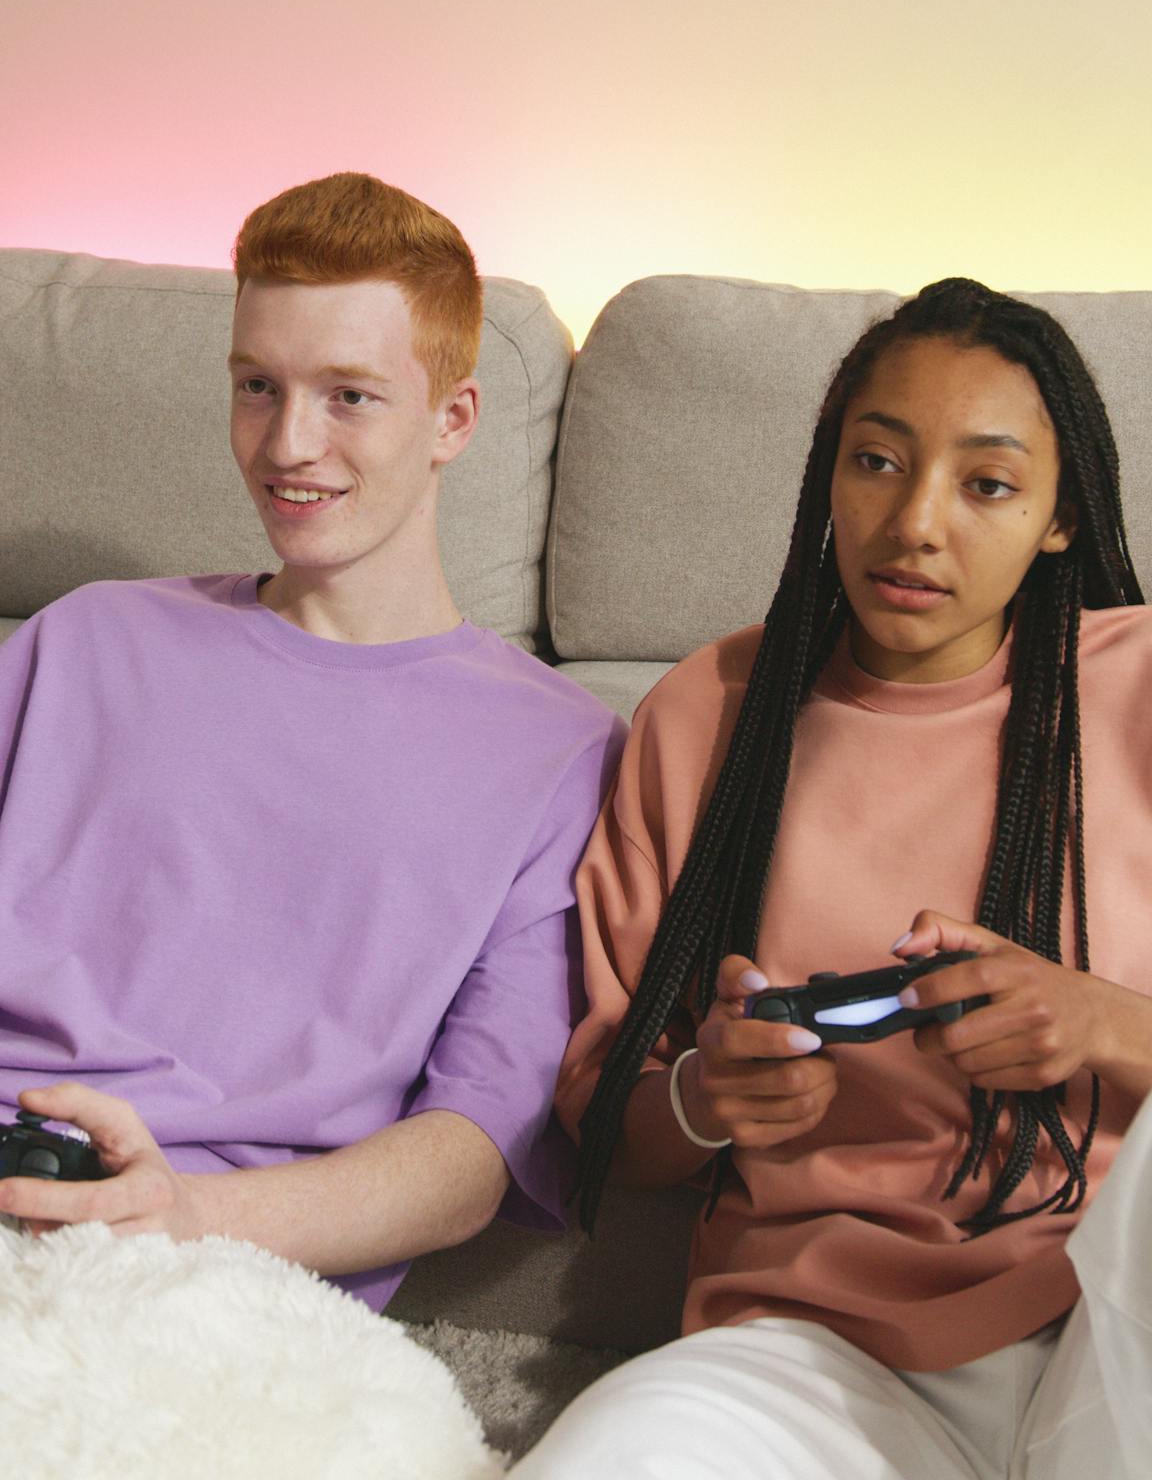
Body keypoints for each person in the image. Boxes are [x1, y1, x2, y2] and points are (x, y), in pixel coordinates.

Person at [517, 278, 1152, 1479]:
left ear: (1061, 514)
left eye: (989, 482)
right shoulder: (709, 714)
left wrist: (1102, 1018)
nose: (915, 522)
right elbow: (611, 1114)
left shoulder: (1138, 685)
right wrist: (710, 1093)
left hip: (1113, 1311)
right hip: (813, 1349)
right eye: (876, 460)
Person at [0, 171, 626, 1310]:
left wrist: (183, 1215)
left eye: (348, 396)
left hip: (221, 1270)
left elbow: (472, 1152)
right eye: (257, 384)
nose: (288, 443)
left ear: (453, 419)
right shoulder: (81, 639)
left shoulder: (564, 752)